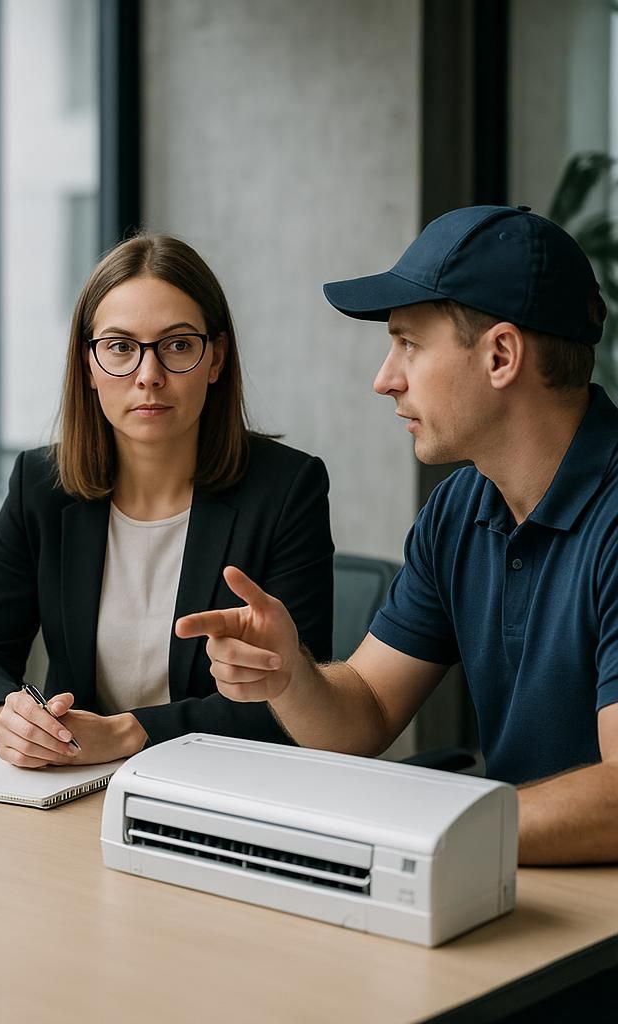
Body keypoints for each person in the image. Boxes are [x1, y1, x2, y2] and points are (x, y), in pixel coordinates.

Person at [177, 204, 618, 864]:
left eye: (408, 343)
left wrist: (423, 833)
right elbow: (367, 710)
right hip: (501, 878)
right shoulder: (459, 511)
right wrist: (290, 674)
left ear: (501, 355)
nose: (384, 379)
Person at [0, 233, 333, 766]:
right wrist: (4, 717)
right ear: (88, 365)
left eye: (177, 345)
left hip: (222, 783)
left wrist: (131, 733)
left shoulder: (288, 489)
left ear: (215, 358)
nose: (148, 376)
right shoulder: (40, 484)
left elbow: (296, 698)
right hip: (72, 782)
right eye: (121, 347)